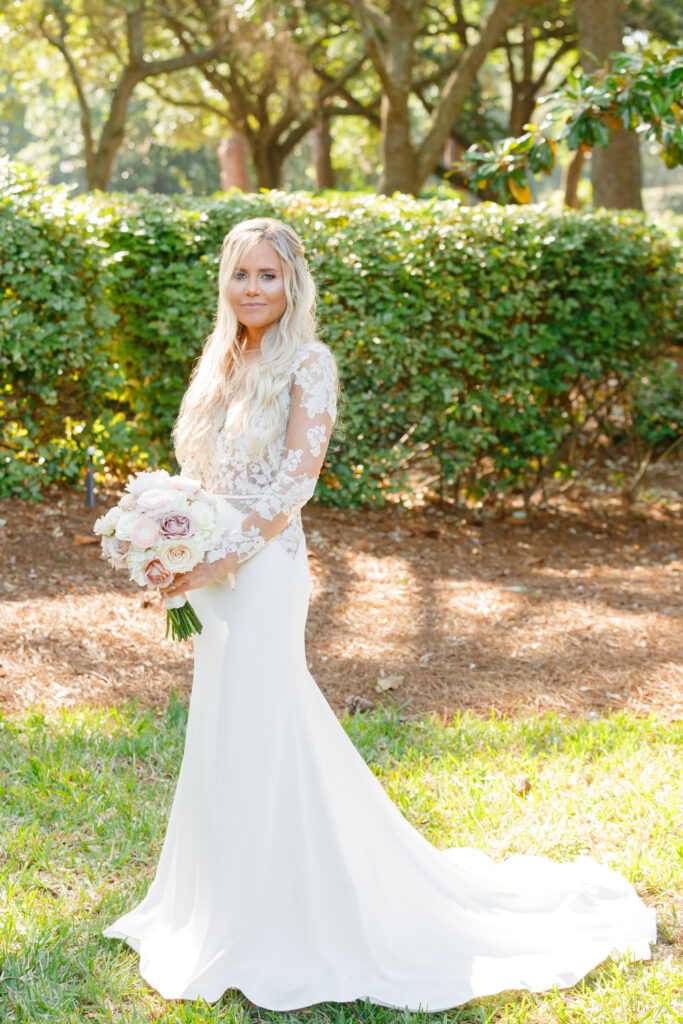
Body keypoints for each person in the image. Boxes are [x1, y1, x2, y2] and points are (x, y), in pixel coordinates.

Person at [103, 216, 656, 1012]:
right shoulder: (223, 359)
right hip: (213, 575)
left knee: (266, 720)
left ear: (292, 284)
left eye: (267, 275)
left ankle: (288, 915)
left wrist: (222, 556)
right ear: (223, 282)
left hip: (261, 572)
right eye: (240, 274)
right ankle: (220, 901)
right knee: (224, 726)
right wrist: (173, 541)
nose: (252, 289)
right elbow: (205, 471)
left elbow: (297, 481)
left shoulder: (307, 363)